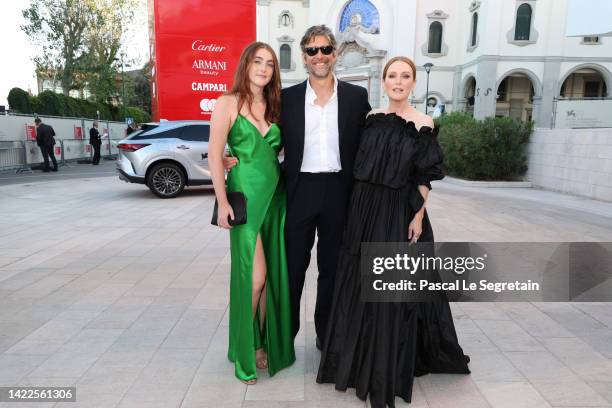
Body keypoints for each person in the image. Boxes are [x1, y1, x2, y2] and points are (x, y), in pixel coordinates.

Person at [316, 57, 470, 408]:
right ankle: (353, 363)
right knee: (356, 285)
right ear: (383, 81)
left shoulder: (424, 122)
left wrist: (418, 214)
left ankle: (383, 369)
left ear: (414, 82)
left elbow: (424, 176)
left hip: (398, 210)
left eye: (405, 76)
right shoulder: (370, 119)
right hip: (362, 207)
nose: (398, 82)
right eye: (392, 76)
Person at [224, 25, 370, 349]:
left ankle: (327, 337)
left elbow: (369, 144)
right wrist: (229, 157)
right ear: (304, 57)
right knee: (290, 270)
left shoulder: (357, 98)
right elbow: (260, 139)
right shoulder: (286, 99)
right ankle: (281, 338)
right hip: (298, 191)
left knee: (332, 270)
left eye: (326, 49)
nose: (320, 56)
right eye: (313, 51)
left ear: (335, 54)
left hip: (338, 192)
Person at [208, 42, 295, 385]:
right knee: (254, 278)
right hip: (244, 198)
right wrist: (222, 202)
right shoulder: (227, 103)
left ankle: (259, 344)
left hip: (276, 198)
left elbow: (283, 151)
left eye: (270, 64)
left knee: (270, 278)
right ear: (245, 64)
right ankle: (244, 352)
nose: (263, 68)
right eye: (258, 61)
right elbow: (215, 155)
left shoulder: (275, 106)